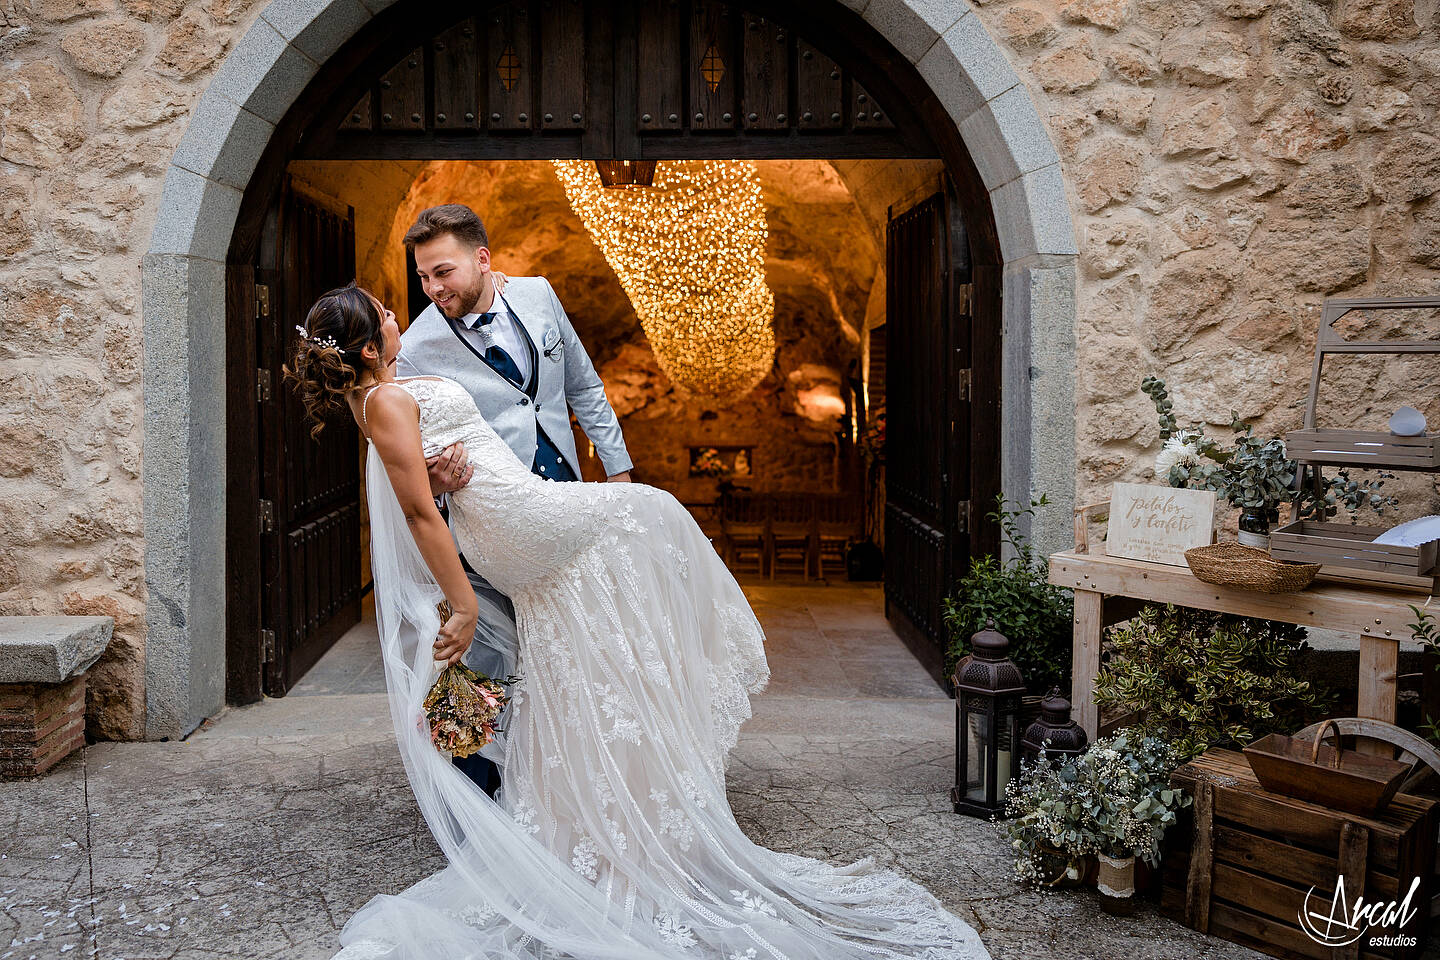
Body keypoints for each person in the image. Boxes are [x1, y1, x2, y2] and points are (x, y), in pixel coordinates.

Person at [285, 284, 989, 960]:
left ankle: (609, 815)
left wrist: (440, 480)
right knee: (651, 512)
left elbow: (420, 479)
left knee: (590, 652)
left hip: (508, 513)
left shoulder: (377, 397)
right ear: (370, 347)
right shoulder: (384, 400)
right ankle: (682, 686)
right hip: (516, 517)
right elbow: (414, 510)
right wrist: (463, 603)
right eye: (382, 311)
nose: (394, 311)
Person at [395, 203, 635, 797]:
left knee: (571, 639)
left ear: (482, 259)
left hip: (564, 495)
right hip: (489, 514)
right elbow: (398, 448)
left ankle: (566, 783)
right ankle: (470, 793)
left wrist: (620, 472)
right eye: (423, 276)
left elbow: (582, 385)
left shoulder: (540, 296)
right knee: (485, 651)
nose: (432, 289)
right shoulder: (418, 344)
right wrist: (435, 478)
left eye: (443, 272)